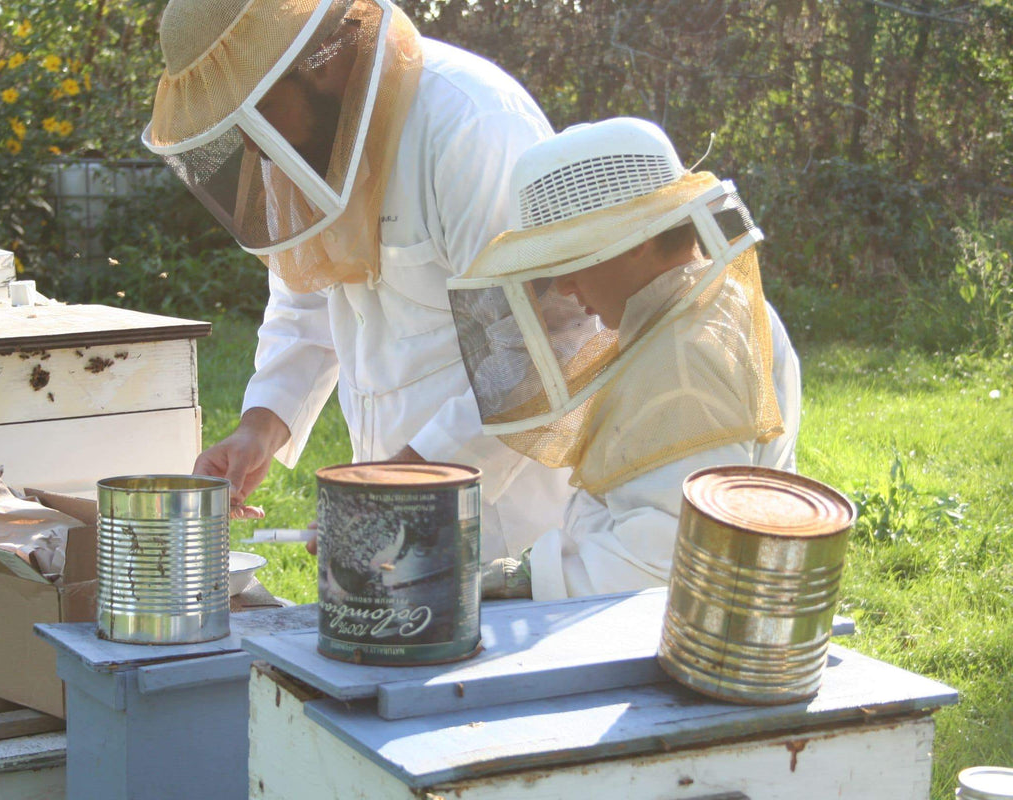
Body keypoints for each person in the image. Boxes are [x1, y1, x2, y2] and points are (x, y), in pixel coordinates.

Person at [141, 0, 575, 558]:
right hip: (393, 499)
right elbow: (306, 300)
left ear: (318, 64)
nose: (252, 145)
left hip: (518, 531)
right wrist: (260, 427)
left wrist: (393, 487)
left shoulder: (473, 125)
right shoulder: (299, 139)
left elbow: (539, 351)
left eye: (260, 110)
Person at [447, 118, 802, 599]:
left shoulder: (688, 355)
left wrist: (531, 579)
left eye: (574, 256)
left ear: (637, 241)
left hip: (673, 642)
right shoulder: (702, 307)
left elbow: (662, 564)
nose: (565, 287)